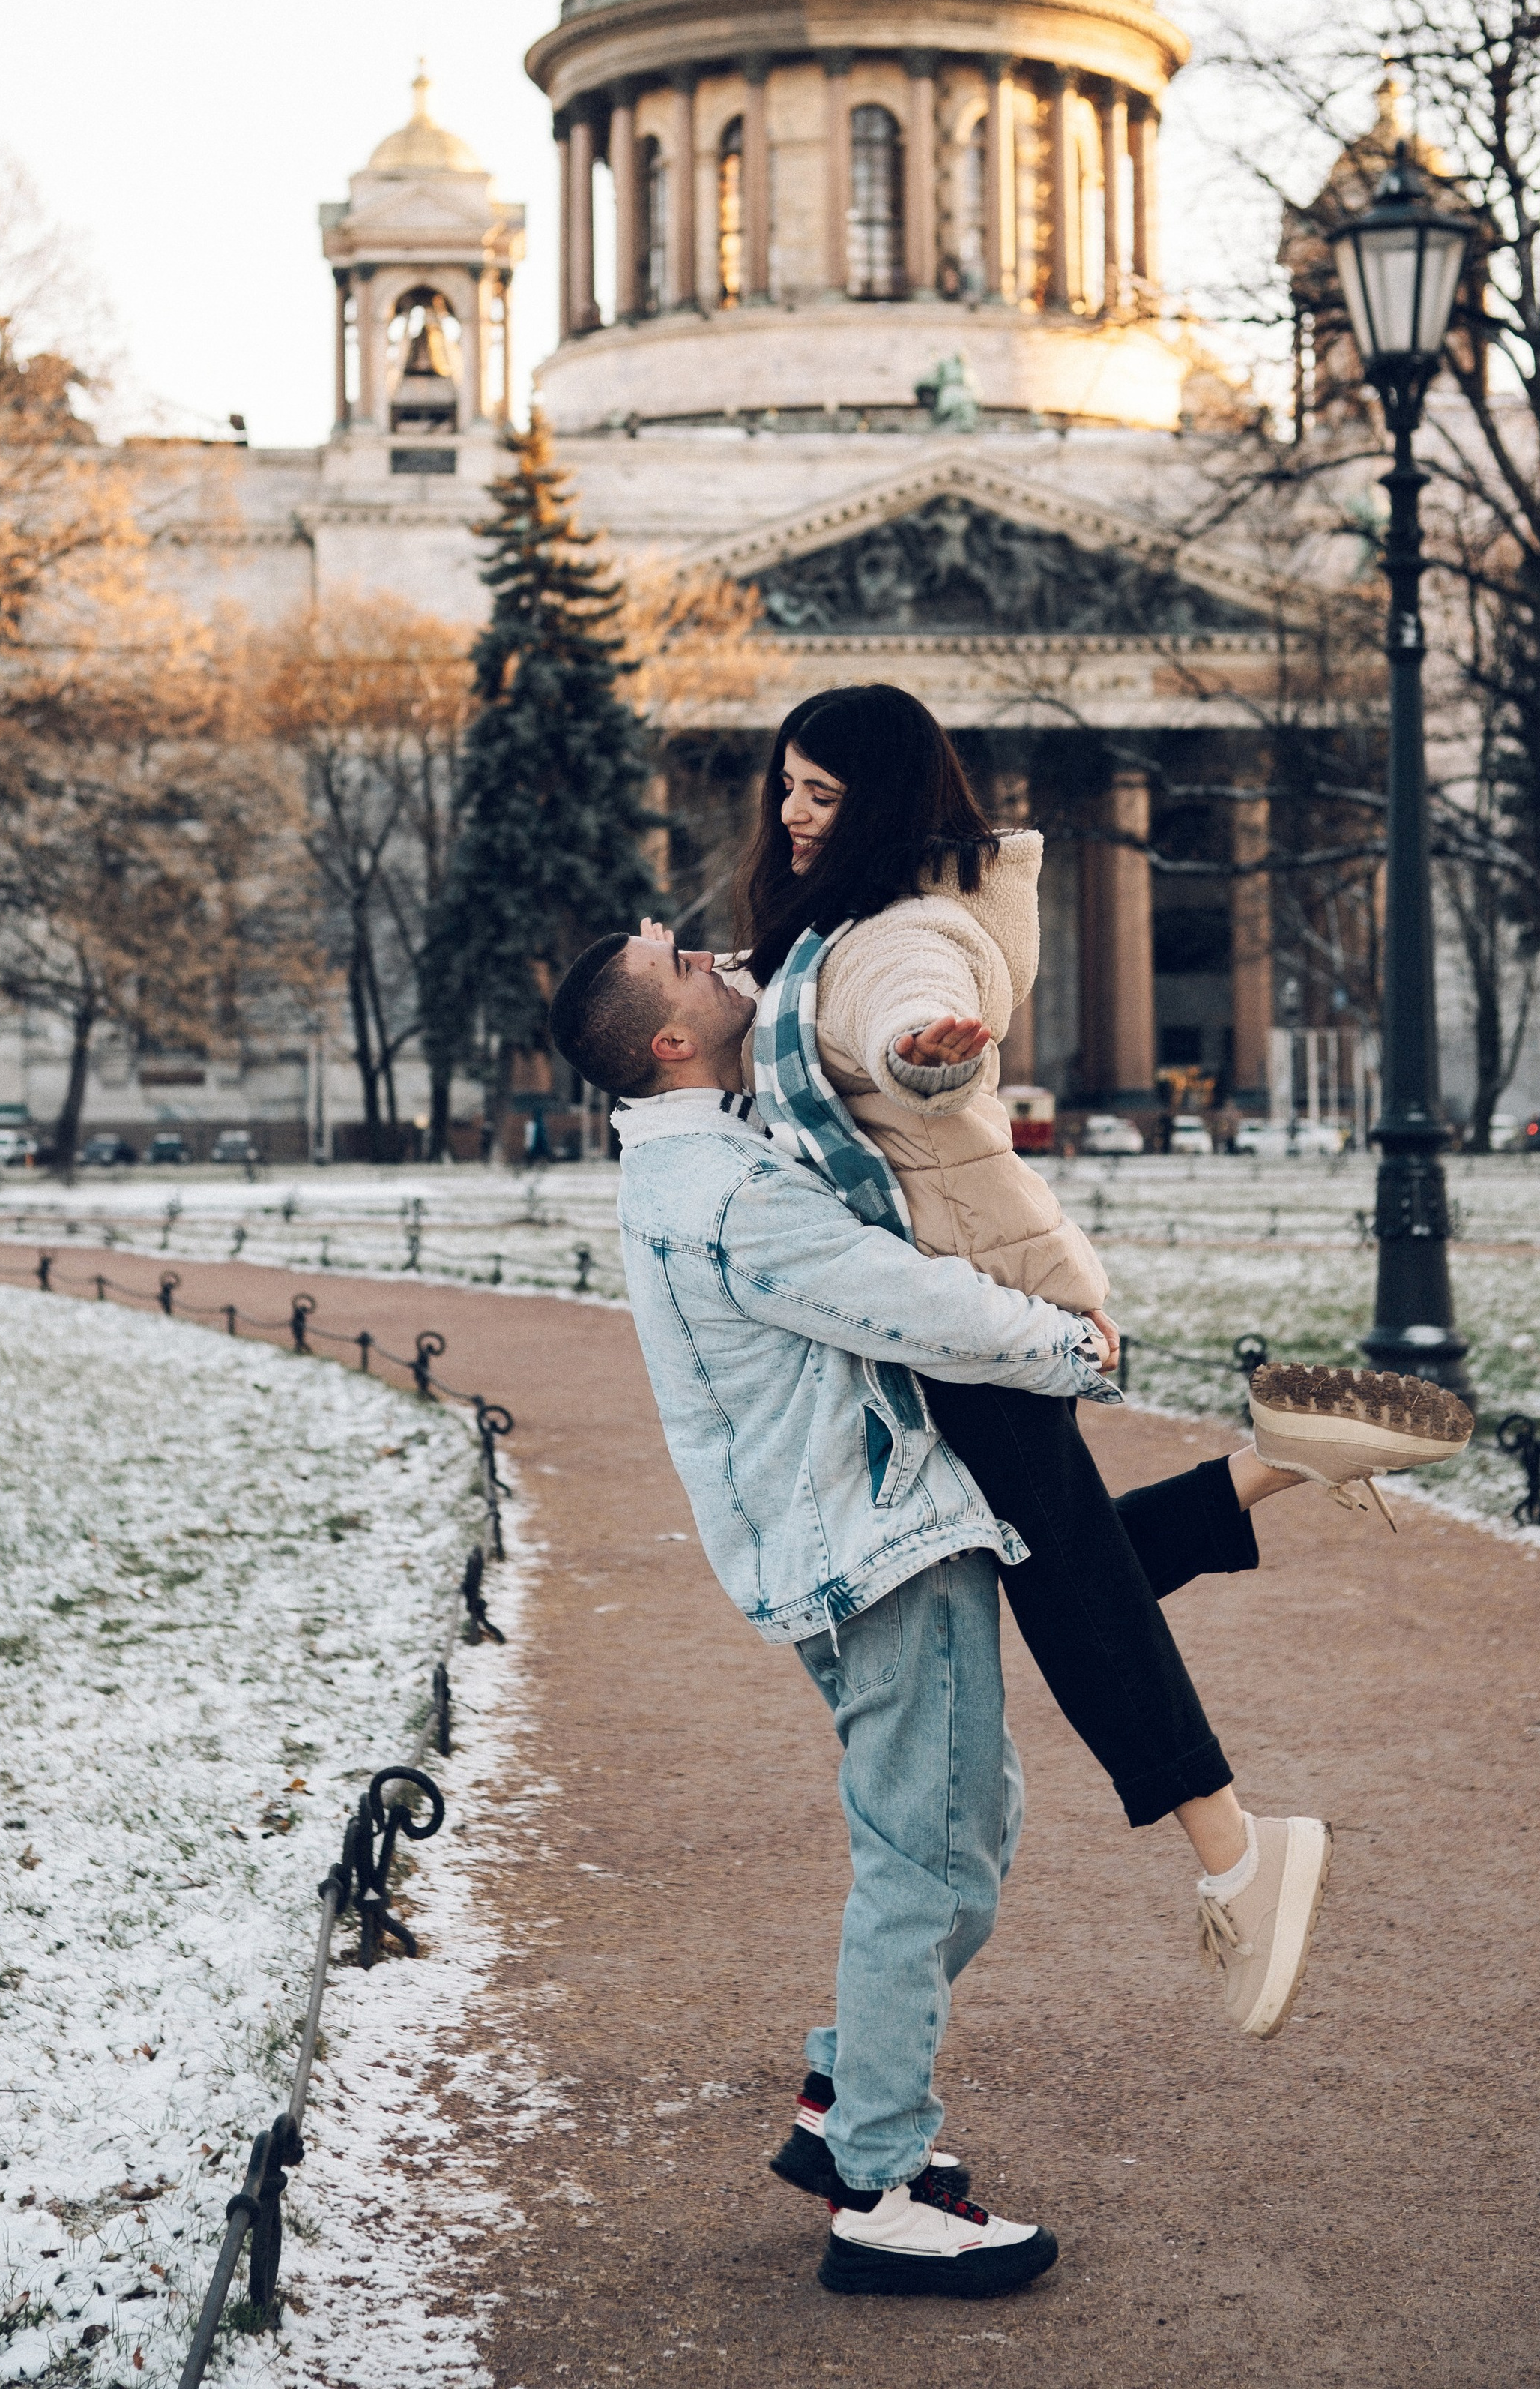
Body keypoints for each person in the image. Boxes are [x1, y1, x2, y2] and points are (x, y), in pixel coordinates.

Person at [546, 927, 1333, 2301]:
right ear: (667, 1038)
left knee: (962, 1829)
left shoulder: (699, 1153)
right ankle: (882, 2187)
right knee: (935, 1860)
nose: (716, 953)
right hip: (877, 1546)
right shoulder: (725, 1186)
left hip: (853, 1534)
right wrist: (1069, 1344)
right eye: (683, 960)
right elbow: (909, 1304)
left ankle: (847, 2094)